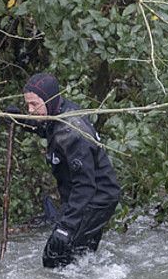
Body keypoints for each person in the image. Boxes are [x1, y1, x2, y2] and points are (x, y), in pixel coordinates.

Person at [9, 72, 121, 268]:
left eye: (34, 104)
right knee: (79, 257)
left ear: (49, 100)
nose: (29, 110)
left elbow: (85, 186)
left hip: (97, 198)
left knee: (55, 256)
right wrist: (18, 120)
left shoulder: (71, 133)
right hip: (89, 195)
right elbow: (45, 127)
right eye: (27, 104)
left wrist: (66, 228)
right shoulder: (59, 111)